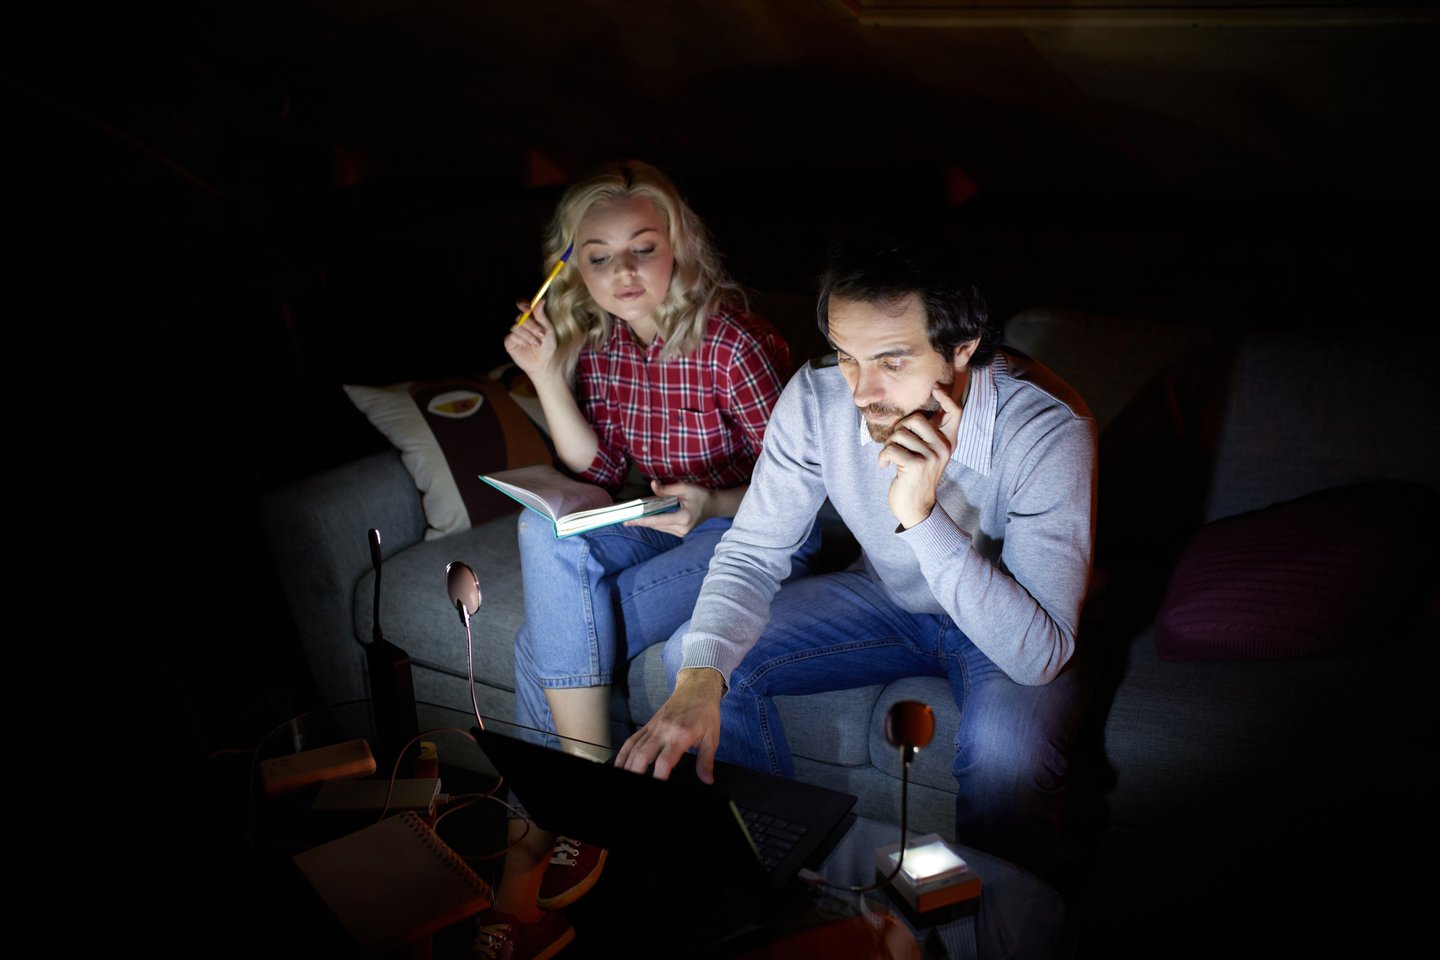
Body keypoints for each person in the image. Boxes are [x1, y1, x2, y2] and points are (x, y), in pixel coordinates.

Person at [616, 221, 1097, 880]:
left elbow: (1039, 655)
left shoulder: (1045, 428)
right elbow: (753, 550)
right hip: (887, 599)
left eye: (892, 359)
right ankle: (782, 879)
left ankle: (995, 930)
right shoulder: (816, 401)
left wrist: (922, 518)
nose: (861, 392)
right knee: (695, 658)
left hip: (1005, 622)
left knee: (1006, 753)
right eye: (847, 355)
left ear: (961, 348)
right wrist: (699, 682)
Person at [477, 159, 821, 958]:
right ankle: (579, 811)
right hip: (665, 517)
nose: (621, 271)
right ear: (572, 270)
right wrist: (543, 377)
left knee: (543, 646)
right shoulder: (600, 344)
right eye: (597, 256)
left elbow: (803, 491)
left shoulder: (733, 343)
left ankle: (553, 832)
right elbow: (595, 473)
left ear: (679, 248)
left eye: (642, 248)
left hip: (750, 531)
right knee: (542, 532)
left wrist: (709, 503)